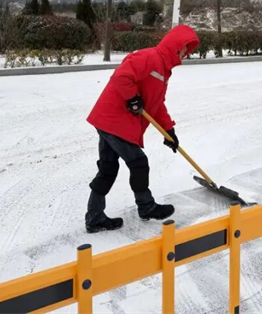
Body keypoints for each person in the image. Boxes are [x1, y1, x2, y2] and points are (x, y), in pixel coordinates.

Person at [85, 24, 200, 233]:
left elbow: (156, 104)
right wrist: (132, 98)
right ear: (176, 45)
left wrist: (169, 131)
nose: (186, 52)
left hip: (108, 121)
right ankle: (146, 207)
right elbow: (121, 76)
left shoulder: (163, 70)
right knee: (138, 163)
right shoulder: (149, 57)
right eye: (185, 47)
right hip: (115, 119)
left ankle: (94, 216)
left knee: (108, 169)